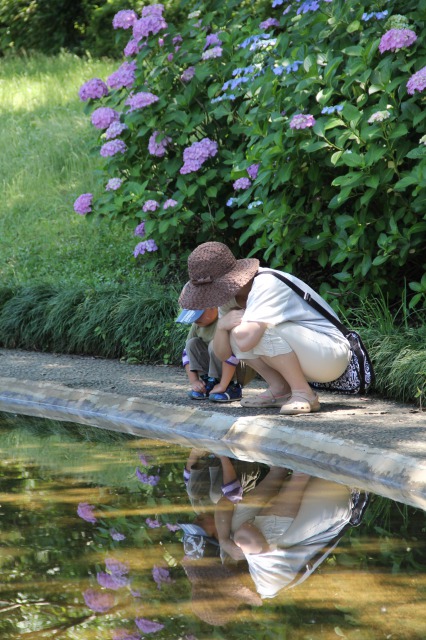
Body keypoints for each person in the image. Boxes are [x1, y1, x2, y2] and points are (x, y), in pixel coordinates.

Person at [178, 242, 352, 415]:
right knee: (237, 332)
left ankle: (303, 393)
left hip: (330, 355)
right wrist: (222, 327)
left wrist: (232, 328)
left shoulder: (266, 284)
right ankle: (280, 389)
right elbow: (222, 354)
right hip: (307, 355)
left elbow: (246, 341)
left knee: (258, 330)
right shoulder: (229, 298)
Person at [176, 306, 242, 402]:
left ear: (214, 307)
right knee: (192, 343)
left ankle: (232, 386)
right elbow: (186, 353)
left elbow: (233, 354)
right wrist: (194, 381)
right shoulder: (197, 324)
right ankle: (209, 382)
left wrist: (223, 385)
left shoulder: (226, 320)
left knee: (214, 345)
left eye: (199, 314)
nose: (195, 319)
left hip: (236, 367)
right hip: (216, 368)